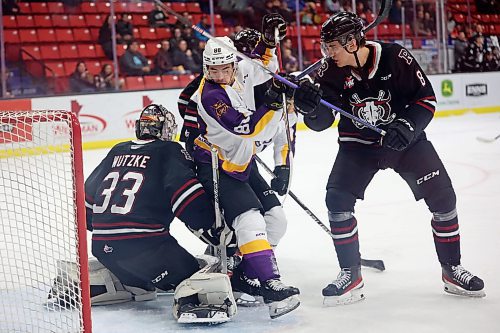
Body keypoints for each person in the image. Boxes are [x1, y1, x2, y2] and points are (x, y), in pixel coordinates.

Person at [292, 11, 485, 306]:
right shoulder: (331, 71)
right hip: (357, 146)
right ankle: (350, 273)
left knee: (444, 198)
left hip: (404, 143)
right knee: (337, 200)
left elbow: (426, 99)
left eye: (332, 46)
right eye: (326, 46)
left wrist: (408, 126)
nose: (327, 53)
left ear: (352, 43)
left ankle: (451, 269)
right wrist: (310, 108)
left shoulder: (396, 57)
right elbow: (321, 123)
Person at [190, 13, 300, 319]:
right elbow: (247, 129)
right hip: (218, 165)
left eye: (225, 67)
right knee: (250, 220)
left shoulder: (239, 72)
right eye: (214, 69)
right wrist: (275, 101)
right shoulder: (210, 96)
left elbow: (263, 67)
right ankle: (271, 286)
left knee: (277, 220)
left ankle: (241, 271)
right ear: (206, 68)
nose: (220, 73)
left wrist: (268, 44)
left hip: (241, 163)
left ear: (233, 64)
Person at [82, 104, 236, 323]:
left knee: (138, 266)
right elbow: (185, 194)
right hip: (147, 248)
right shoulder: (169, 150)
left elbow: (87, 199)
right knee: (199, 271)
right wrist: (210, 226)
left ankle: (132, 285)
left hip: (102, 247)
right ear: (165, 130)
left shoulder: (117, 150)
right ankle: (192, 300)